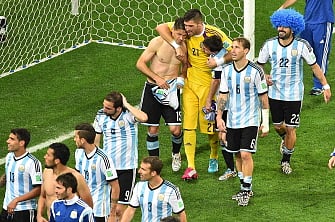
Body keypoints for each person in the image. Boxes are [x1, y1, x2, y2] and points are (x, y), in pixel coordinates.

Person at [156, 8, 233, 180]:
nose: (186, 30)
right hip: (190, 84)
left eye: (190, 26)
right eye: (185, 26)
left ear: (199, 24)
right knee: (188, 125)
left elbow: (234, 51)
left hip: (209, 86)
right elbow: (160, 27)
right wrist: (176, 45)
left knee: (209, 127)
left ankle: (213, 156)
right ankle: (191, 166)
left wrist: (218, 61)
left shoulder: (214, 34)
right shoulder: (185, 31)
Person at [257, 9, 331, 175]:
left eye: (284, 26)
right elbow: (259, 65)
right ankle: (285, 140)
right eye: (279, 25)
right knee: (277, 126)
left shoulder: (302, 45)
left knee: (291, 128)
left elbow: (314, 66)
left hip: (294, 94)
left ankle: (285, 160)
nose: (280, 29)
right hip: (274, 92)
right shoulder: (269, 45)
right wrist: (265, 76)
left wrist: (325, 85)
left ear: (293, 28)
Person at [216, 37, 270, 206]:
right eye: (232, 47)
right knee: (237, 154)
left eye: (237, 47)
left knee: (245, 154)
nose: (233, 50)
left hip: (250, 120)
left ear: (246, 51)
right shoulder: (226, 71)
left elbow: (263, 97)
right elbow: (223, 95)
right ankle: (243, 187)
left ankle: (246, 190)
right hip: (232, 120)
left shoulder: (256, 71)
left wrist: (265, 122)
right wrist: (219, 117)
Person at [136, 17, 187, 172]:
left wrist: (182, 77)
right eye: (178, 34)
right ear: (172, 31)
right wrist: (157, 78)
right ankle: (154, 163)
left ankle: (176, 153)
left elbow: (186, 66)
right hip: (153, 89)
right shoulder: (158, 42)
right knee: (152, 129)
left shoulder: (185, 47)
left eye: (184, 35)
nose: (181, 38)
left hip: (171, 91)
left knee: (175, 130)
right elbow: (140, 63)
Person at [93, 91, 147, 219]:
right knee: (107, 207)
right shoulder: (101, 116)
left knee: (119, 210)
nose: (104, 109)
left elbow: (144, 118)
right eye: (104, 106)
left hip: (126, 168)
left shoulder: (128, 115)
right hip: (108, 168)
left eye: (108, 108)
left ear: (118, 108)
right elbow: (96, 140)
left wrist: (126, 104)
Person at [279, 0, 334, 96]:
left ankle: (319, 85)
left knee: (320, 54)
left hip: (323, 22)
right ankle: (288, 78)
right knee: (301, 50)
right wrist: (283, 7)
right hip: (307, 22)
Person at [201, 35, 237, 181]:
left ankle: (232, 168)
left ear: (210, 49)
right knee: (226, 136)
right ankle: (234, 168)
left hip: (226, 103)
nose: (202, 49)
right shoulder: (225, 53)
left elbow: (216, 81)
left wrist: (209, 100)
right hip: (233, 101)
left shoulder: (216, 62)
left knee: (224, 136)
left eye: (204, 47)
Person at [74, 123, 120, 222]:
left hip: (99, 210)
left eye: (76, 137)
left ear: (82, 140)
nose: (74, 140)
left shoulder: (103, 159)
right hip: (82, 207)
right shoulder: (78, 153)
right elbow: (77, 178)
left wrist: (112, 213)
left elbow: (115, 186)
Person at [36, 143, 93, 222]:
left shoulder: (76, 177)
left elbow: (88, 205)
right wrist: (39, 215)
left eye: (48, 155)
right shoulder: (46, 172)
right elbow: (43, 196)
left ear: (57, 161)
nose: (45, 157)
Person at [121, 156, 187, 222]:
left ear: (153, 173)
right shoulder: (139, 186)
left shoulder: (171, 190)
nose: (139, 171)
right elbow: (130, 210)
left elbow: (181, 215)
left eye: (143, 169)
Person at [0, 128, 42, 222]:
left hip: (24, 211)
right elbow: (8, 175)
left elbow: (38, 189)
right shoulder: (9, 157)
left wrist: (16, 200)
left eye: (12, 139)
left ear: (21, 143)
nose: (7, 141)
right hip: (6, 208)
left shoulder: (33, 163)